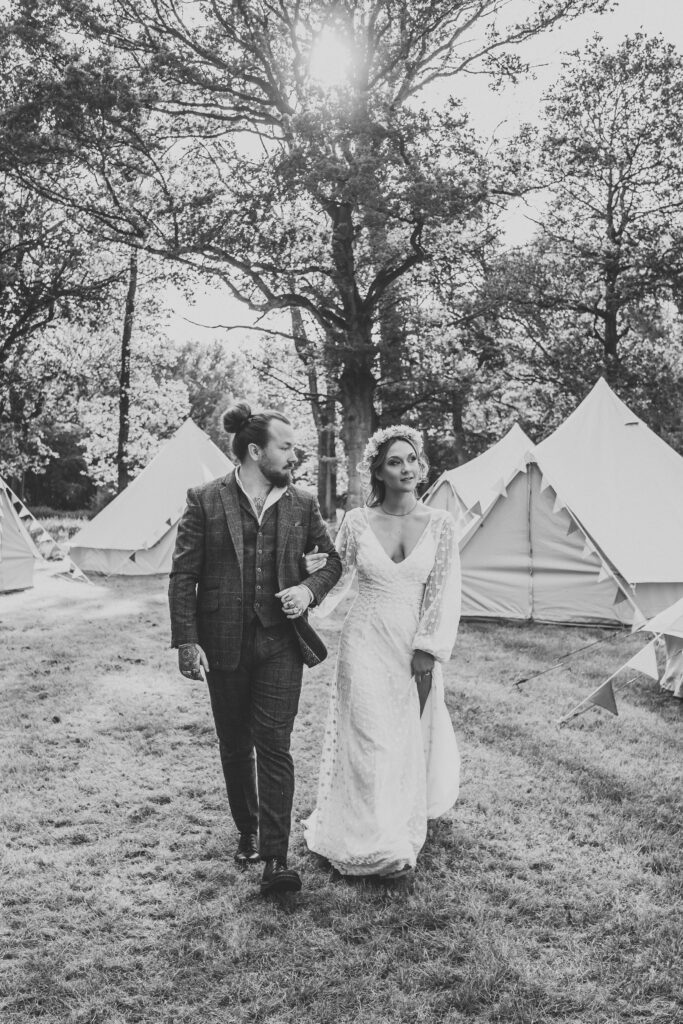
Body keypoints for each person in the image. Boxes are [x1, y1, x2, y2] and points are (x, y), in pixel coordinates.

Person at [168, 403, 342, 896]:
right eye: (285, 447)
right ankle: (246, 827)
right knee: (234, 743)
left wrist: (309, 590)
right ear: (254, 451)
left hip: (281, 643)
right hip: (222, 641)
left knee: (274, 744)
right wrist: (186, 639)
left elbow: (332, 561)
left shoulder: (303, 503)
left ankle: (276, 858)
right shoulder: (204, 499)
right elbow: (185, 575)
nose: (294, 455)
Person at [303, 424, 461, 882]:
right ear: (379, 470)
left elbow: (443, 590)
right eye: (395, 461)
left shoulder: (441, 524)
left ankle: (394, 825)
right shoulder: (356, 521)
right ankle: (372, 839)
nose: (406, 468)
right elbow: (336, 571)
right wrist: (306, 593)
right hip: (364, 639)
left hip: (411, 644)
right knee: (369, 737)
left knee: (401, 738)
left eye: (411, 459)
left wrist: (428, 647)